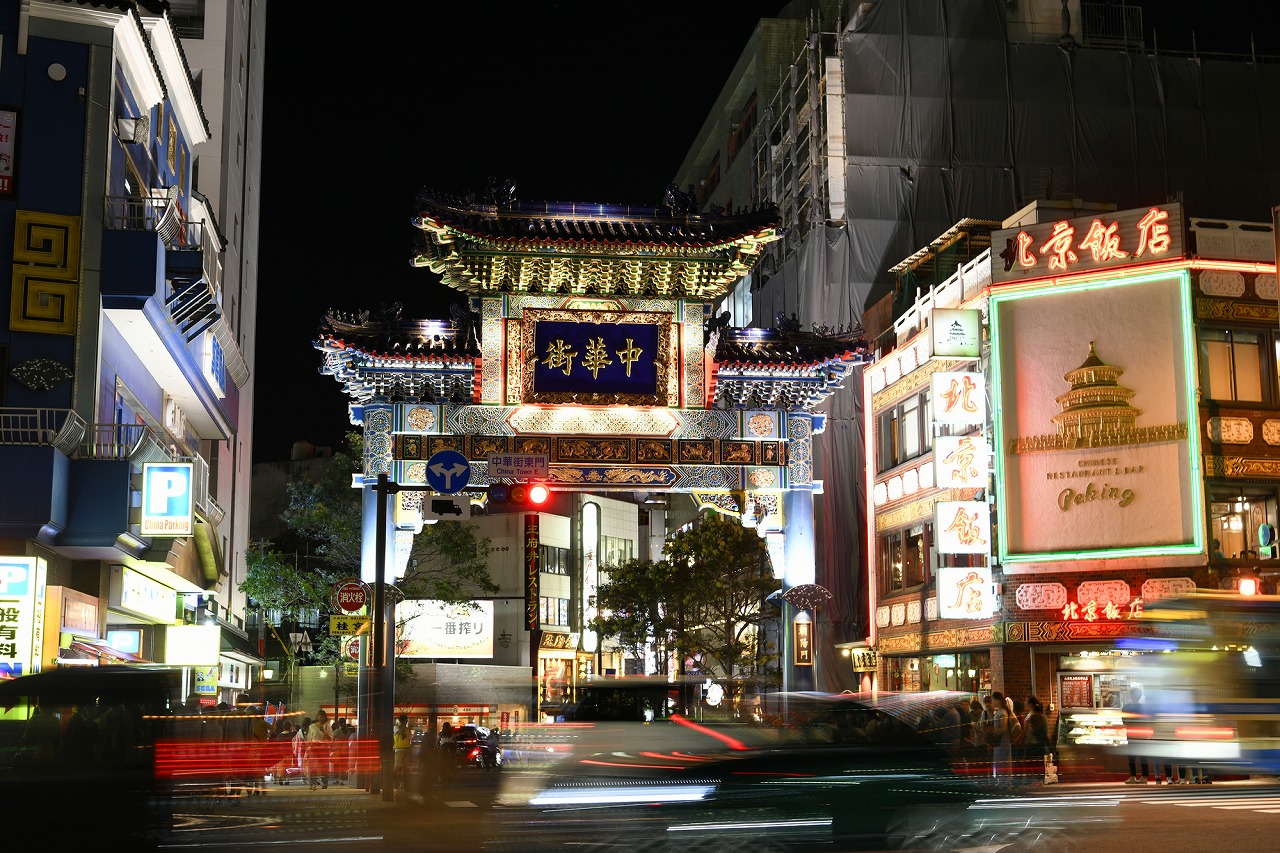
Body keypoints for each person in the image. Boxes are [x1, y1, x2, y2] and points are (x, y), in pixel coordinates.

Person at [1122, 689, 1152, 783]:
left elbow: (1124, 721)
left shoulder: (1126, 707)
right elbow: (1146, 721)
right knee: (1143, 757)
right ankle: (1144, 777)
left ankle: (1133, 776)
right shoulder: (1143, 708)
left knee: (1132, 757)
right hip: (1142, 734)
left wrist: (1132, 717)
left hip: (1131, 734)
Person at [305, 710, 333, 789]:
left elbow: (331, 738)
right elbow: (308, 739)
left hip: (323, 748)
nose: (321, 718)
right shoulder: (312, 727)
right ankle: (313, 783)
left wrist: (324, 731)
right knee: (313, 766)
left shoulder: (327, 726)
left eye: (323, 716)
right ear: (317, 717)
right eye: (320, 716)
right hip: (313, 748)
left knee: (324, 766)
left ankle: (324, 782)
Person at [393, 714, 410, 789]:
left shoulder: (407, 729)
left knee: (405, 768)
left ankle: (402, 784)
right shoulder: (396, 727)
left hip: (406, 749)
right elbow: (400, 732)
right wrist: (403, 725)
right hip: (398, 749)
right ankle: (392, 782)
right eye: (404, 721)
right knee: (396, 767)